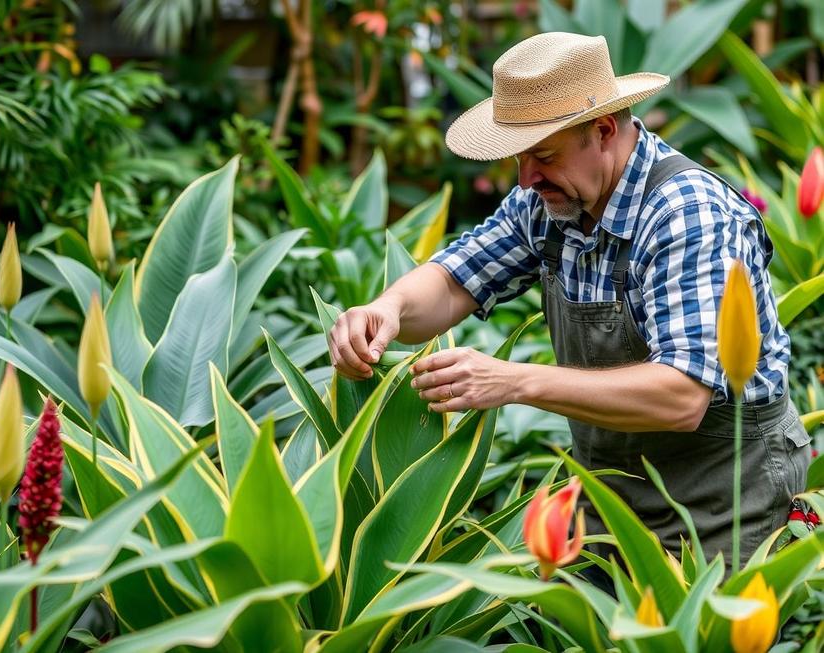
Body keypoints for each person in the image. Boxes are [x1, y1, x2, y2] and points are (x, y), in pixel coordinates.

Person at [327, 32, 811, 563]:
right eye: (518, 158)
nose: (527, 177)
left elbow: (682, 397)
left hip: (725, 497)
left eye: (544, 155)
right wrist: (386, 310)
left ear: (603, 130)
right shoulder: (550, 197)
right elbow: (453, 280)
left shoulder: (686, 214)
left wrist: (513, 381)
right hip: (609, 494)